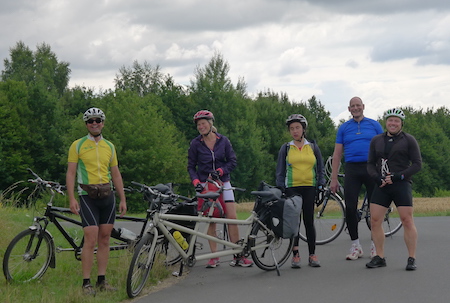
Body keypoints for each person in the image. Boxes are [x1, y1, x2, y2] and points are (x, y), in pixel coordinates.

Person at [66, 107, 127, 295]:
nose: (95, 124)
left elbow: (115, 174)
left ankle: (102, 280)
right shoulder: (77, 145)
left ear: (103, 123)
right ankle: (86, 283)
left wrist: (122, 198)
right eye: (91, 121)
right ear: (86, 124)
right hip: (87, 196)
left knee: (105, 239)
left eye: (98, 120)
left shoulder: (109, 146)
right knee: (90, 239)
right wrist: (71, 198)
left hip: (107, 195)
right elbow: (71, 172)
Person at [187, 110, 253, 268]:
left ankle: (238, 255)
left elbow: (232, 161)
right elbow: (191, 166)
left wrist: (222, 171)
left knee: (231, 217)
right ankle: (214, 256)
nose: (201, 127)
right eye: (198, 125)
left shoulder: (223, 141)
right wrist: (196, 181)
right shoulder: (195, 143)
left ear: (210, 124)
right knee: (212, 219)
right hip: (205, 184)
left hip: (223, 182)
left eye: (203, 123)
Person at [366, 108, 421, 270]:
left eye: (396, 121)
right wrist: (377, 177)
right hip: (382, 185)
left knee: (407, 220)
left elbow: (417, 164)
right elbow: (370, 163)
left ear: (401, 123)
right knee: (375, 220)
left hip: (401, 184)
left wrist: (399, 176)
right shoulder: (376, 140)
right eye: (390, 120)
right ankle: (380, 256)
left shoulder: (409, 140)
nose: (393, 123)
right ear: (386, 122)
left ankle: (411, 258)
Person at [330, 97, 383, 260]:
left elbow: (384, 149)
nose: (355, 108)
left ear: (363, 107)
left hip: (371, 167)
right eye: (353, 106)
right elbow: (337, 154)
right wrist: (333, 178)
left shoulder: (374, 125)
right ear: (349, 109)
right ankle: (356, 245)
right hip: (352, 169)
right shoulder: (344, 128)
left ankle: (375, 245)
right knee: (350, 208)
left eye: (358, 105)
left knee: (375, 209)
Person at [276, 114, 326, 268]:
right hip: (292, 187)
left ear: (303, 129)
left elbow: (320, 168)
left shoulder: (312, 147)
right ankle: (295, 254)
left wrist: (320, 184)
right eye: (292, 129)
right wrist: (280, 187)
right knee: (294, 222)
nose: (295, 131)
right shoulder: (286, 148)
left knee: (309, 221)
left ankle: (312, 254)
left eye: (297, 128)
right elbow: (280, 170)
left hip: (310, 187)